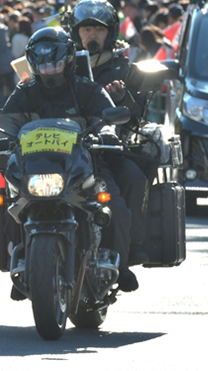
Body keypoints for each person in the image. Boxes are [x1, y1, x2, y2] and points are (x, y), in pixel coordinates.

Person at [0, 26, 137, 293]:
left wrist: (107, 132)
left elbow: (106, 118)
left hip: (85, 168)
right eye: (43, 66)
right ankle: (26, 264)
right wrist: (1, 140)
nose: (49, 70)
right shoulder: (24, 91)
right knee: (10, 207)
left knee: (115, 207)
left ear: (69, 60)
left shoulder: (87, 89)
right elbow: (8, 123)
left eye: (55, 64)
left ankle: (121, 266)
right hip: (36, 170)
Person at [68, 0, 150, 270]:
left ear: (110, 33)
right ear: (76, 32)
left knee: (133, 177)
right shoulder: (59, 63)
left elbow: (137, 115)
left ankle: (131, 250)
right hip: (65, 147)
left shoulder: (122, 66)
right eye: (86, 29)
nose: (92, 35)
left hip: (109, 148)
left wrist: (123, 98)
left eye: (98, 30)